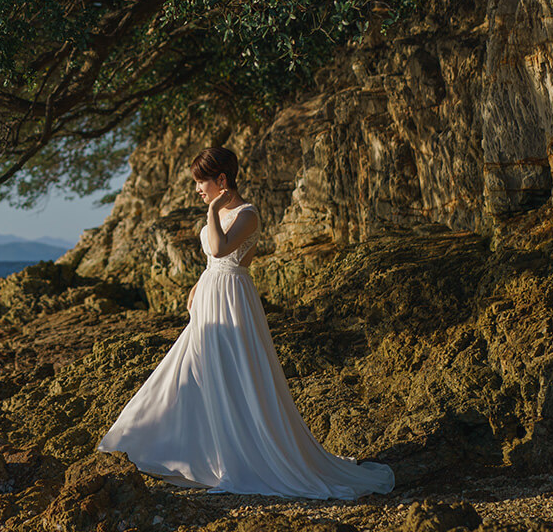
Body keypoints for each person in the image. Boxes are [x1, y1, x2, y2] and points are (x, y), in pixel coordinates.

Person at [97, 146, 394, 499]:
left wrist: (212, 210)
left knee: (233, 372)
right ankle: (157, 446)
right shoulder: (221, 213)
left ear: (222, 180)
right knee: (189, 369)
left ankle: (239, 458)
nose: (197, 189)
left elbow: (224, 251)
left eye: (201, 183)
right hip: (211, 293)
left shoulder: (247, 214)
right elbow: (213, 260)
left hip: (232, 299)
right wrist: (197, 286)